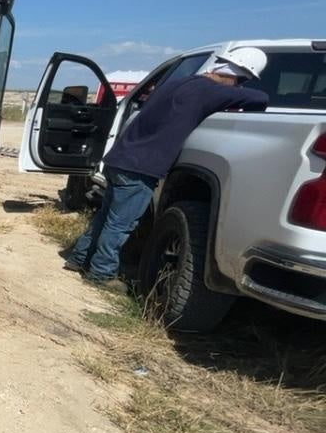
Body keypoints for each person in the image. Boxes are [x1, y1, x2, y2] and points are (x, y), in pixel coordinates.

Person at [66, 47, 271, 291]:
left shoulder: (179, 83)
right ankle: (101, 274)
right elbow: (260, 100)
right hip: (140, 167)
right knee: (120, 225)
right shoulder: (210, 91)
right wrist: (236, 91)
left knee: (107, 216)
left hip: (120, 160)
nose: (239, 87)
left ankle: (78, 259)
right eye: (241, 81)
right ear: (234, 75)